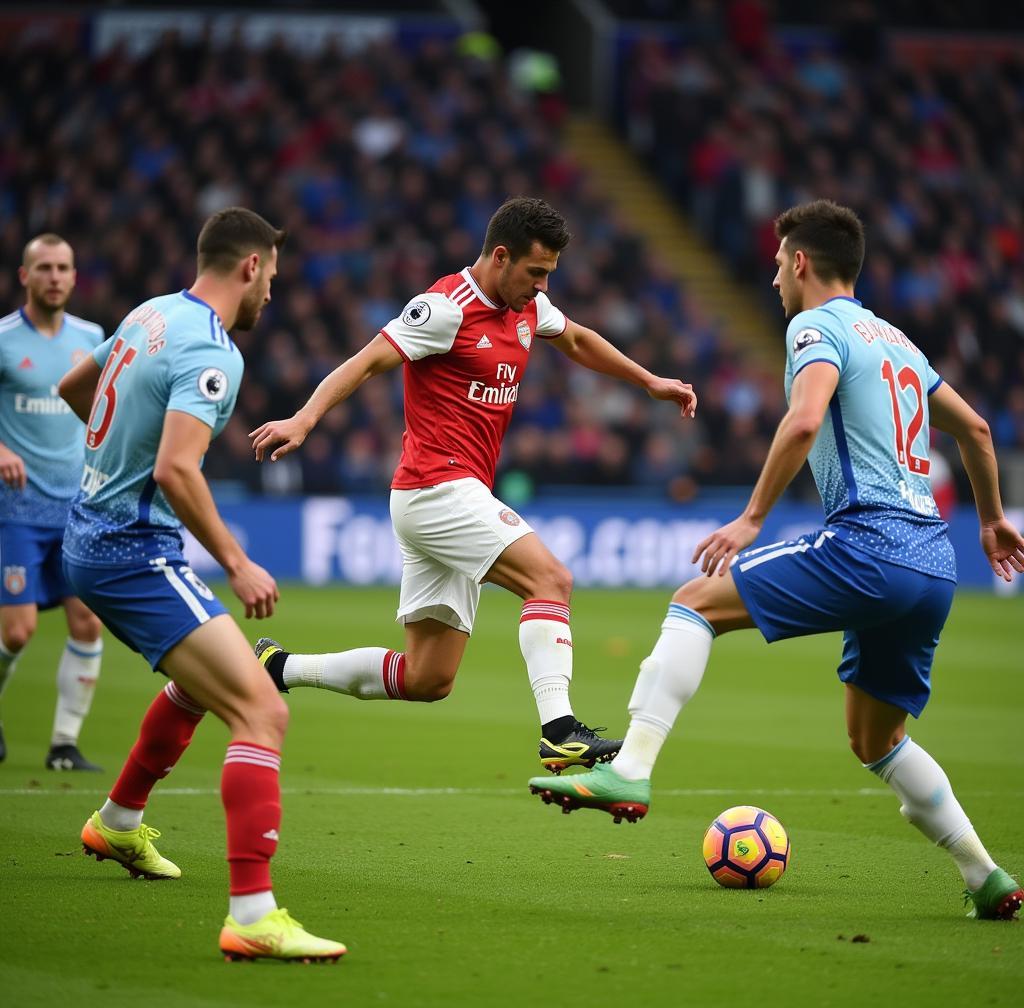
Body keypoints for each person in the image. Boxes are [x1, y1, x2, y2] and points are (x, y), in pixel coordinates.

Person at [529, 199, 1023, 921]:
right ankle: (984, 875)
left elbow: (803, 418)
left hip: (870, 545)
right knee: (875, 739)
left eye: (775, 267)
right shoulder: (899, 343)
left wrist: (752, 518)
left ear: (799, 263)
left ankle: (628, 771)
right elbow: (976, 429)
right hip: (935, 566)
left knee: (695, 599)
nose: (771, 283)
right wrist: (991, 521)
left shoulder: (813, 326)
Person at [250, 196, 697, 773]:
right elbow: (364, 361)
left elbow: (580, 340)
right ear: (501, 256)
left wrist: (649, 381)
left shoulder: (528, 307)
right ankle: (560, 731)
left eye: (548, 276)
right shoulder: (444, 308)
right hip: (437, 488)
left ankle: (280, 669)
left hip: (447, 496)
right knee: (551, 579)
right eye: (535, 273)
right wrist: (304, 419)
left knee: (427, 678)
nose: (541, 287)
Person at [58, 208, 346, 961]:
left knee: (202, 684)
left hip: (91, 533)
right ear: (250, 266)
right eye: (273, 279)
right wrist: (238, 561)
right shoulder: (211, 350)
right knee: (261, 708)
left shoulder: (150, 313)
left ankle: (117, 823)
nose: (272, 296)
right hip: (131, 550)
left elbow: (72, 387)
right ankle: (253, 915)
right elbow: (175, 469)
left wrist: (114, 461)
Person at [0, 234, 105, 771]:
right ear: (25, 276)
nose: (55, 276)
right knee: (17, 632)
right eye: (44, 267)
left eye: (64, 267)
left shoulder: (92, 338)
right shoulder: (2, 340)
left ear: (74, 275)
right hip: (15, 509)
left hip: (76, 506)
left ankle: (64, 743)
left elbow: (105, 413)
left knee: (87, 622)